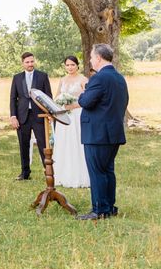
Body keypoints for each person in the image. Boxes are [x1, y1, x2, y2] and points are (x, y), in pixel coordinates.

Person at [76, 44, 129, 221]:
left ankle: (99, 210)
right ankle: (109, 207)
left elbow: (86, 101)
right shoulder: (119, 78)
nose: (90, 60)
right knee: (107, 171)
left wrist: (82, 94)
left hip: (97, 134)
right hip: (112, 132)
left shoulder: (99, 79)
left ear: (98, 58)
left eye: (91, 57)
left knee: (97, 172)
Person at [10, 52, 53, 180]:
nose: (30, 64)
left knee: (43, 144)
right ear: (23, 63)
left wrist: (49, 113)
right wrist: (13, 116)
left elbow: (48, 96)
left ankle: (48, 170)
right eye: (27, 62)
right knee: (23, 144)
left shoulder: (42, 76)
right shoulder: (17, 78)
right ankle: (25, 173)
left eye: (32, 61)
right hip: (22, 116)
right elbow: (13, 98)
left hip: (39, 115)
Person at [52, 55, 90, 188]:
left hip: (76, 115)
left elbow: (89, 99)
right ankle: (63, 174)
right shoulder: (62, 80)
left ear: (77, 66)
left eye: (72, 65)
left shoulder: (83, 79)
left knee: (76, 142)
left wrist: (74, 105)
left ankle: (80, 175)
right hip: (63, 116)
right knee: (64, 143)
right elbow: (57, 96)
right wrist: (55, 107)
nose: (70, 67)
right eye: (67, 65)